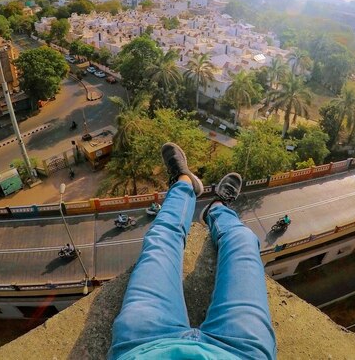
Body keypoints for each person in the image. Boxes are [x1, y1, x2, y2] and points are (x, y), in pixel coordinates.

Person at [109, 143, 276, 360]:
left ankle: (184, 183)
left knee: (161, 238)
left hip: (145, 347)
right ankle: (218, 209)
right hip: (241, 352)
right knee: (244, 241)